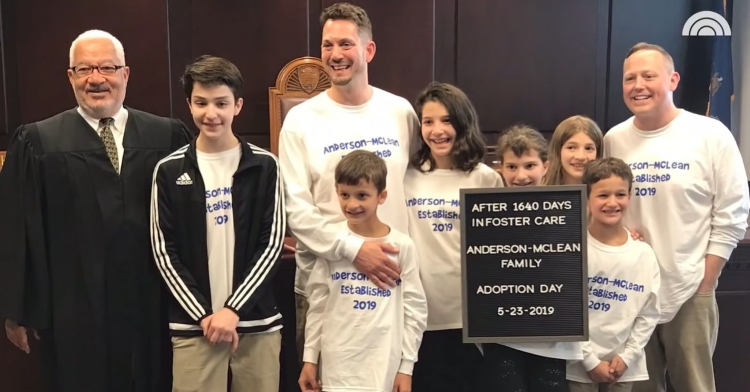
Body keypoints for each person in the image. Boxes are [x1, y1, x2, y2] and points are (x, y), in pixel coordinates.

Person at [0, 29, 193, 392]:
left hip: (151, 301)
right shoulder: (38, 141)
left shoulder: (167, 136)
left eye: (107, 67)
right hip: (73, 306)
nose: (96, 79)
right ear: (70, 77)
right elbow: (17, 228)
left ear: (125, 74)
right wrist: (20, 307)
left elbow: (189, 222)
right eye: (84, 69)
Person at [605, 42, 750, 392]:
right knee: (637, 387)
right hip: (632, 292)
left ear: (672, 80)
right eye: (629, 78)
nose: (638, 85)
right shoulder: (614, 139)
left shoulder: (710, 134)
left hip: (690, 290)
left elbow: (733, 211)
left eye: (648, 76)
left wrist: (707, 278)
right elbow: (605, 205)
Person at [278, 1, 419, 360]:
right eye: (327, 45)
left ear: (368, 50)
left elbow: (416, 185)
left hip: (392, 280)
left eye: (345, 44)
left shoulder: (400, 111)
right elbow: (295, 210)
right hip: (326, 286)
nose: (335, 54)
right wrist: (354, 249)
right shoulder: (300, 120)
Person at [150, 55, 285, 392]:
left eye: (221, 103)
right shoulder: (168, 170)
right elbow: (164, 253)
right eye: (201, 102)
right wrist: (205, 315)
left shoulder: (265, 165)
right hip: (195, 325)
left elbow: (271, 244)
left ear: (237, 105)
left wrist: (233, 310)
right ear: (189, 104)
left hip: (256, 322)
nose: (211, 113)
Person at [298, 150, 428, 392]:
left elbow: (415, 311)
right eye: (344, 195)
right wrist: (310, 359)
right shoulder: (332, 242)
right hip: (337, 369)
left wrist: (406, 367)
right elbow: (318, 305)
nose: (352, 204)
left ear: (381, 196)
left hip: (382, 369)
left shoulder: (402, 246)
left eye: (362, 195)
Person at [403, 82, 503, 392]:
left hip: (468, 319)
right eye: (428, 122)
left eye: (446, 120)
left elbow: (498, 250)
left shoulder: (485, 178)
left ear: (462, 122)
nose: (437, 130)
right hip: (417, 317)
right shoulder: (406, 175)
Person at [483, 123, 583, 392]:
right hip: (503, 338)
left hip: (553, 340)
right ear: (499, 168)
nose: (521, 175)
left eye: (529, 165)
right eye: (512, 166)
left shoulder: (566, 212)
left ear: (546, 166)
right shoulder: (485, 218)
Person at [566, 157, 661, 392]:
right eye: (602, 195)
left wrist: (628, 356)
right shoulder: (574, 250)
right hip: (579, 364)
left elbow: (649, 313)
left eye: (620, 194)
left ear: (630, 196)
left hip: (625, 366)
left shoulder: (644, 254)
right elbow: (565, 311)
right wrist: (589, 360)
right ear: (587, 198)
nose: (612, 202)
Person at [545, 115, 603, 186]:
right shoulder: (540, 192)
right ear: (558, 151)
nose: (580, 157)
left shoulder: (608, 193)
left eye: (588, 148)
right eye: (571, 147)